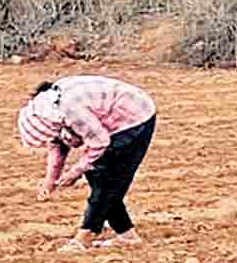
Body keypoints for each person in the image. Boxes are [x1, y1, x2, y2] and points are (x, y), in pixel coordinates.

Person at [17, 75, 157, 252]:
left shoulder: (69, 110)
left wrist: (76, 171)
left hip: (135, 116)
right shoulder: (49, 111)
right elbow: (57, 146)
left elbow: (99, 142)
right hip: (112, 120)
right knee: (101, 179)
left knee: (104, 178)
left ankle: (85, 236)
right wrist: (50, 181)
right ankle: (127, 236)